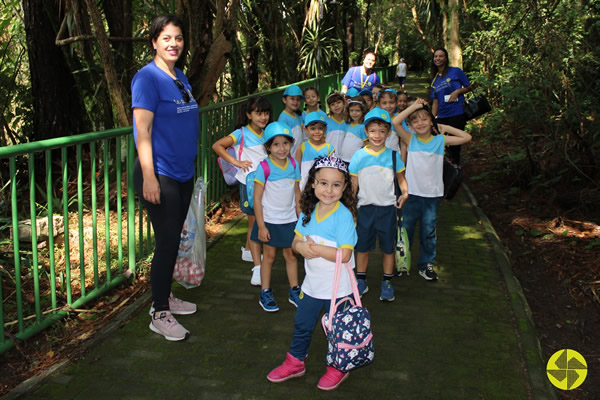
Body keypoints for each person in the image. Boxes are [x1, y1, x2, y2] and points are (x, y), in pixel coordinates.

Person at [132, 14, 199, 341]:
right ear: (154, 42)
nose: (174, 44)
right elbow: (141, 131)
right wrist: (149, 177)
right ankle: (159, 311)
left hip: (183, 173)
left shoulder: (179, 75)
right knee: (167, 242)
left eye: (179, 38)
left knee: (172, 240)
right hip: (160, 174)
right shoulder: (146, 78)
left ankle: (165, 295)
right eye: (166, 38)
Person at [267, 155, 358, 391]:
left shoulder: (344, 216)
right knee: (302, 324)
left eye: (336, 184)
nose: (329, 190)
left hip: (339, 289)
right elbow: (295, 241)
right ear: (313, 184)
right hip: (312, 286)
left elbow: (345, 255)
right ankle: (296, 362)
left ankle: (339, 366)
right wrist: (300, 247)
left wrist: (314, 249)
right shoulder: (309, 211)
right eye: (323, 183)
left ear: (344, 187)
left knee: (338, 330)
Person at [392, 99, 472, 280]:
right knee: (406, 230)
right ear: (411, 126)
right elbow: (396, 122)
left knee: (428, 232)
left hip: (432, 196)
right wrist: (414, 107)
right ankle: (402, 263)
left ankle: (426, 264)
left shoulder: (439, 140)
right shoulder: (410, 139)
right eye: (415, 121)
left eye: (424, 119)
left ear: (431, 121)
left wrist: (444, 127)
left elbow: (467, 137)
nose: (420, 123)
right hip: (411, 194)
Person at [212, 96, 272, 285]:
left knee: (258, 221)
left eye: (266, 113)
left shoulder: (268, 133)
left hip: (266, 183)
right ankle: (257, 267)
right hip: (249, 184)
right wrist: (237, 163)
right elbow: (217, 146)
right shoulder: (241, 133)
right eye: (258, 113)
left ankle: (248, 251)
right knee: (254, 222)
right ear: (248, 114)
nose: (263, 117)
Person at [349, 107, 408, 302]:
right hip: (365, 208)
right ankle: (361, 280)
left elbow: (400, 178)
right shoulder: (358, 156)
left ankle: (387, 281)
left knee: (388, 248)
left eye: (382, 131)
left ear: (389, 132)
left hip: (388, 209)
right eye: (373, 130)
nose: (377, 135)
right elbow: (354, 184)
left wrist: (405, 192)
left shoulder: (393, 155)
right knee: (362, 247)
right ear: (366, 132)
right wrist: (350, 206)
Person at [251, 122, 302, 312]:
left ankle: (294, 290)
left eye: (285, 143)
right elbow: (257, 198)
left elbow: (297, 192)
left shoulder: (294, 164)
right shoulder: (264, 167)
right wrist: (262, 226)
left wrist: (300, 218)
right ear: (268, 147)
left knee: (291, 255)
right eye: (276, 144)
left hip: (289, 220)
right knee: (270, 256)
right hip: (270, 220)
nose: (282, 148)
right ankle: (265, 291)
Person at [429, 47, 472, 165]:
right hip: (442, 116)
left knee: (455, 146)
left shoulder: (456, 71)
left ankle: (456, 170)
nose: (438, 58)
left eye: (441, 56)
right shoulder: (434, 79)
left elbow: (469, 87)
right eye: (436, 56)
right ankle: (444, 168)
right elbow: (435, 102)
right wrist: (432, 119)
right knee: (439, 143)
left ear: (446, 58)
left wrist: (457, 91)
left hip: (457, 113)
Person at [297, 112, 334, 190]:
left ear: (325, 129)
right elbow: (297, 169)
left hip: (323, 187)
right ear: (306, 130)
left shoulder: (329, 148)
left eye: (320, 128)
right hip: (305, 187)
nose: (317, 132)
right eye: (313, 128)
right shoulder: (302, 147)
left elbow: (331, 170)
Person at [278, 85, 305, 159]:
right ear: (284, 100)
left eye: (298, 99)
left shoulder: (298, 115)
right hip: (290, 157)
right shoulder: (283, 118)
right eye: (292, 99)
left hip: (299, 156)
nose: (295, 102)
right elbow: (282, 140)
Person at [339, 99, 367, 164]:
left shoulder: (363, 127)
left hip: (355, 161)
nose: (354, 113)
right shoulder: (347, 125)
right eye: (352, 110)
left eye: (358, 110)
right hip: (343, 159)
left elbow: (367, 144)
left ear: (363, 112)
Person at [377, 88, 401, 153]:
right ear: (379, 104)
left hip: (395, 156)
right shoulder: (376, 119)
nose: (388, 106)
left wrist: (402, 161)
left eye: (391, 102)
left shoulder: (400, 118)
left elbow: (404, 141)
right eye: (384, 103)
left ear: (396, 103)